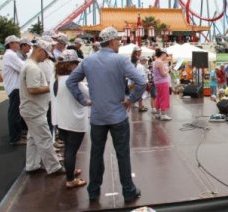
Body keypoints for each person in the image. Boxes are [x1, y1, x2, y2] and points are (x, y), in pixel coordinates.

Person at [66, 26, 146, 202]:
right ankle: (128, 191)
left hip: (97, 117)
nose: (119, 43)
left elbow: (71, 81)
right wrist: (131, 100)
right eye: (118, 40)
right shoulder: (120, 60)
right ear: (111, 41)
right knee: (122, 155)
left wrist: (84, 100)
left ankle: (93, 191)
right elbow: (141, 82)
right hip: (118, 115)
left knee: (96, 154)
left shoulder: (87, 61)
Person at [19, 39, 65, 174]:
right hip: (34, 110)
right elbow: (33, 89)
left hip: (32, 108)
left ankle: (32, 164)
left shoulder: (30, 65)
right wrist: (51, 87)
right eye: (45, 55)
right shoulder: (32, 68)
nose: (46, 58)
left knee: (33, 138)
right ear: (40, 51)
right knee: (44, 139)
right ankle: (54, 167)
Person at [51, 50, 88, 188]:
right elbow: (89, 94)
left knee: (68, 149)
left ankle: (70, 172)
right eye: (75, 64)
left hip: (62, 120)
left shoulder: (57, 79)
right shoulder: (74, 81)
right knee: (71, 150)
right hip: (75, 120)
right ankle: (70, 179)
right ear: (70, 65)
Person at [2, 35, 26, 145]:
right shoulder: (11, 55)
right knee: (15, 114)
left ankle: (18, 134)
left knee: (16, 113)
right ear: (10, 44)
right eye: (16, 42)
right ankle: (15, 138)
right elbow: (23, 67)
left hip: (15, 87)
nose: (18, 44)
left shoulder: (11, 55)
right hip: (15, 87)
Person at [152, 48, 172, 120]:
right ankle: (163, 114)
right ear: (163, 54)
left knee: (159, 97)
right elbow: (163, 74)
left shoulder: (155, 62)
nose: (166, 57)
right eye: (165, 55)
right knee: (164, 97)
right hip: (162, 82)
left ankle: (158, 113)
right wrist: (168, 70)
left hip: (157, 82)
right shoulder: (160, 62)